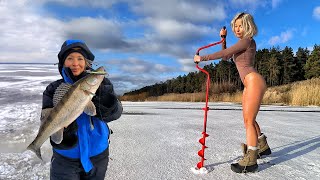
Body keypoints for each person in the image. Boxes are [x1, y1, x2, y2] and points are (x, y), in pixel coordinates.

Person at [194, 13, 271, 173]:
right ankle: (262, 146)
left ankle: (251, 159)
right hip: (249, 83)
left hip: (253, 80)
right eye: (235, 26)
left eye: (240, 25)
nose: (236, 28)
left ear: (248, 25)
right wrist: (223, 40)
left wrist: (202, 58)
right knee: (248, 119)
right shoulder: (243, 43)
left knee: (249, 121)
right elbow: (226, 56)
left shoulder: (247, 40)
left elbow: (223, 54)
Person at [42, 39, 123, 179]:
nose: (75, 63)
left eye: (80, 58)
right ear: (63, 62)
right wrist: (65, 134)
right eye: (70, 58)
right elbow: (47, 121)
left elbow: (115, 114)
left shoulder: (102, 84)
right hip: (65, 159)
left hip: (98, 155)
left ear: (87, 62)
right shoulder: (53, 89)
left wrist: (105, 99)